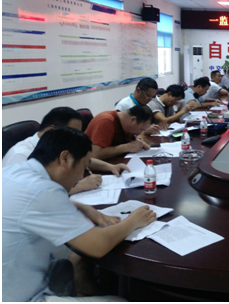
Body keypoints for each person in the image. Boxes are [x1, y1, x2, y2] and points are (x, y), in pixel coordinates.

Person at [2, 127, 157, 302]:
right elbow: (98, 245)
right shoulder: (44, 190)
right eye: (83, 167)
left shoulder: (16, 171)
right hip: (18, 297)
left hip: (19, 274)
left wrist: (82, 207)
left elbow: (30, 204)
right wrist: (133, 221)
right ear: (65, 158)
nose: (81, 177)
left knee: (66, 266)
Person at [3, 107, 129, 194]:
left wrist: (110, 167)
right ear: (51, 131)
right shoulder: (20, 156)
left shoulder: (56, 145)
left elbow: (83, 159)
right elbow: (31, 194)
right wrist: (80, 186)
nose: (76, 137)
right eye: (71, 132)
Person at [84, 105, 153, 160]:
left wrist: (138, 143)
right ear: (133, 120)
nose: (139, 133)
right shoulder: (106, 121)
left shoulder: (126, 125)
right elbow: (94, 154)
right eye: (141, 129)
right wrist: (126, 147)